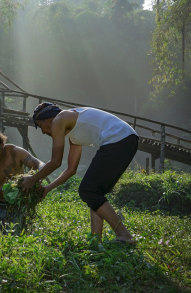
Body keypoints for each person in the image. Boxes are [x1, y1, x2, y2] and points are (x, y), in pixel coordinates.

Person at [20, 102, 138, 244]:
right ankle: (96, 241)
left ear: (47, 120)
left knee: (87, 190)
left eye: (40, 127)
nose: (44, 132)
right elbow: (71, 169)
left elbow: (56, 161)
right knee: (94, 192)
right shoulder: (73, 131)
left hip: (118, 139)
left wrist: (32, 179)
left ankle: (124, 235)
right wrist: (47, 189)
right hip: (126, 138)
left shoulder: (59, 119)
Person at [0, 125, 44, 235]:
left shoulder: (15, 152)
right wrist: (23, 184)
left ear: (2, 143)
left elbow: (39, 164)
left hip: (17, 207)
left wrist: (34, 179)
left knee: (17, 245)